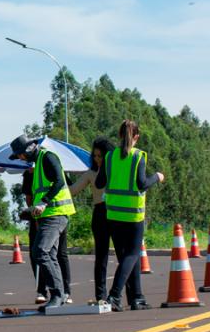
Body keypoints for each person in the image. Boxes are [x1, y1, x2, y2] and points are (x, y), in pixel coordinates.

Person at [95, 120, 164, 312]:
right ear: (136, 137)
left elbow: (100, 183)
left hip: (114, 215)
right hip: (133, 215)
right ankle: (115, 295)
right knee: (132, 255)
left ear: (118, 135)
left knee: (128, 258)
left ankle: (137, 298)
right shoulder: (138, 156)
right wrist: (157, 177)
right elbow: (142, 184)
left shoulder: (109, 157)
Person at [9, 135, 74, 310]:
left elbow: (60, 181)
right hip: (48, 214)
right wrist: (32, 210)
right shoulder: (38, 164)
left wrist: (44, 202)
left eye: (21, 155)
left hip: (56, 212)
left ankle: (58, 294)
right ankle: (58, 296)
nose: (21, 158)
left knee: (41, 251)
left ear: (29, 149)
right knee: (49, 254)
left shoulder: (48, 157)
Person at [68, 137, 113, 305]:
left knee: (124, 256)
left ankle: (121, 295)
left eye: (101, 156)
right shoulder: (90, 173)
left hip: (116, 213)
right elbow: (73, 190)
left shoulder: (116, 171)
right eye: (95, 156)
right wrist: (62, 181)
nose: (97, 159)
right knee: (101, 257)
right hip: (100, 214)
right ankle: (101, 296)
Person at [21, 165, 71, 304]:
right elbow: (29, 196)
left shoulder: (50, 164)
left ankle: (62, 292)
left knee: (51, 253)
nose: (29, 167)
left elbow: (65, 185)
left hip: (56, 214)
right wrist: (33, 214)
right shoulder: (29, 174)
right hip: (41, 216)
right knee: (42, 253)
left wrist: (45, 202)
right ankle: (47, 291)